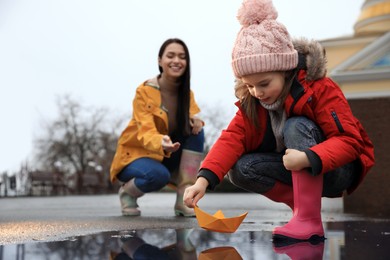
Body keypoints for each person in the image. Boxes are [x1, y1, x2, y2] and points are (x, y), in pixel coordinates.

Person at [183, 0, 374, 243]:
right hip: (298, 170)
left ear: (285, 70)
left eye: (264, 84)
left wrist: (309, 157)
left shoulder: (319, 88)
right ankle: (303, 209)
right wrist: (202, 181)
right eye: (249, 85)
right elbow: (232, 138)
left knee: (295, 125)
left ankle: (308, 221)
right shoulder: (253, 103)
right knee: (240, 168)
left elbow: (350, 141)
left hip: (336, 169)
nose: (257, 92)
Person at [110, 38, 205, 217]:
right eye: (170, 56)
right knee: (158, 176)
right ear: (160, 60)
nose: (176, 60)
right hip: (137, 155)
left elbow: (193, 115)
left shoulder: (187, 94)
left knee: (198, 132)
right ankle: (127, 193)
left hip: (167, 154)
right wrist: (161, 141)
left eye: (182, 57)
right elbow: (145, 130)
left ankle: (184, 200)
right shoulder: (144, 91)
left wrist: (197, 120)